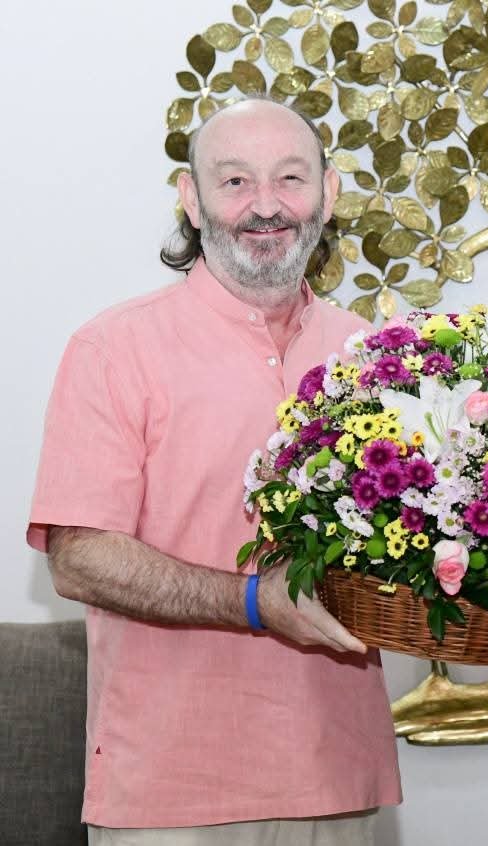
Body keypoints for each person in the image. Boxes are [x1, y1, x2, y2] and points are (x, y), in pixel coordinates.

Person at [28, 98, 401, 845]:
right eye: (234, 181)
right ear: (192, 201)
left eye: (290, 178)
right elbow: (78, 559)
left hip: (342, 779)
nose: (265, 205)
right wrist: (256, 601)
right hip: (170, 792)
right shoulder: (113, 349)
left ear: (328, 194)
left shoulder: (375, 356)